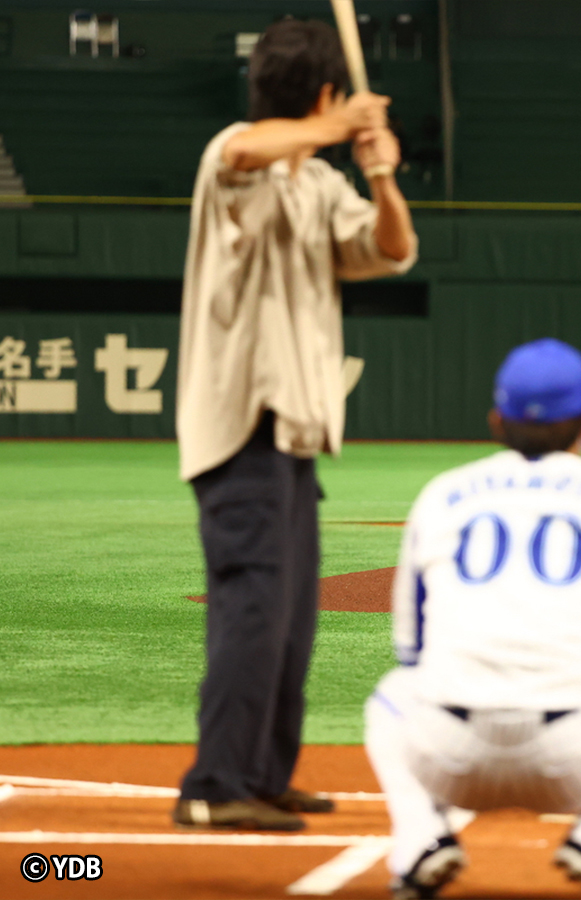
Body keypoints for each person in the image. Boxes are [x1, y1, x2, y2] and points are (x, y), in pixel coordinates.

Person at [172, 18, 418, 831]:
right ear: (322, 96)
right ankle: (216, 785)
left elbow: (394, 249)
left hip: (295, 438)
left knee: (290, 617)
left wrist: (380, 177)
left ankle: (263, 773)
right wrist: (342, 126)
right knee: (252, 604)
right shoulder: (233, 154)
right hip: (241, 427)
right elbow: (247, 153)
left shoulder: (320, 185)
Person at [365, 338, 581, 900]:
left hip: (450, 757)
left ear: (496, 420)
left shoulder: (441, 495)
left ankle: (422, 842)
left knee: (390, 693)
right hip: (576, 760)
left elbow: (411, 650)